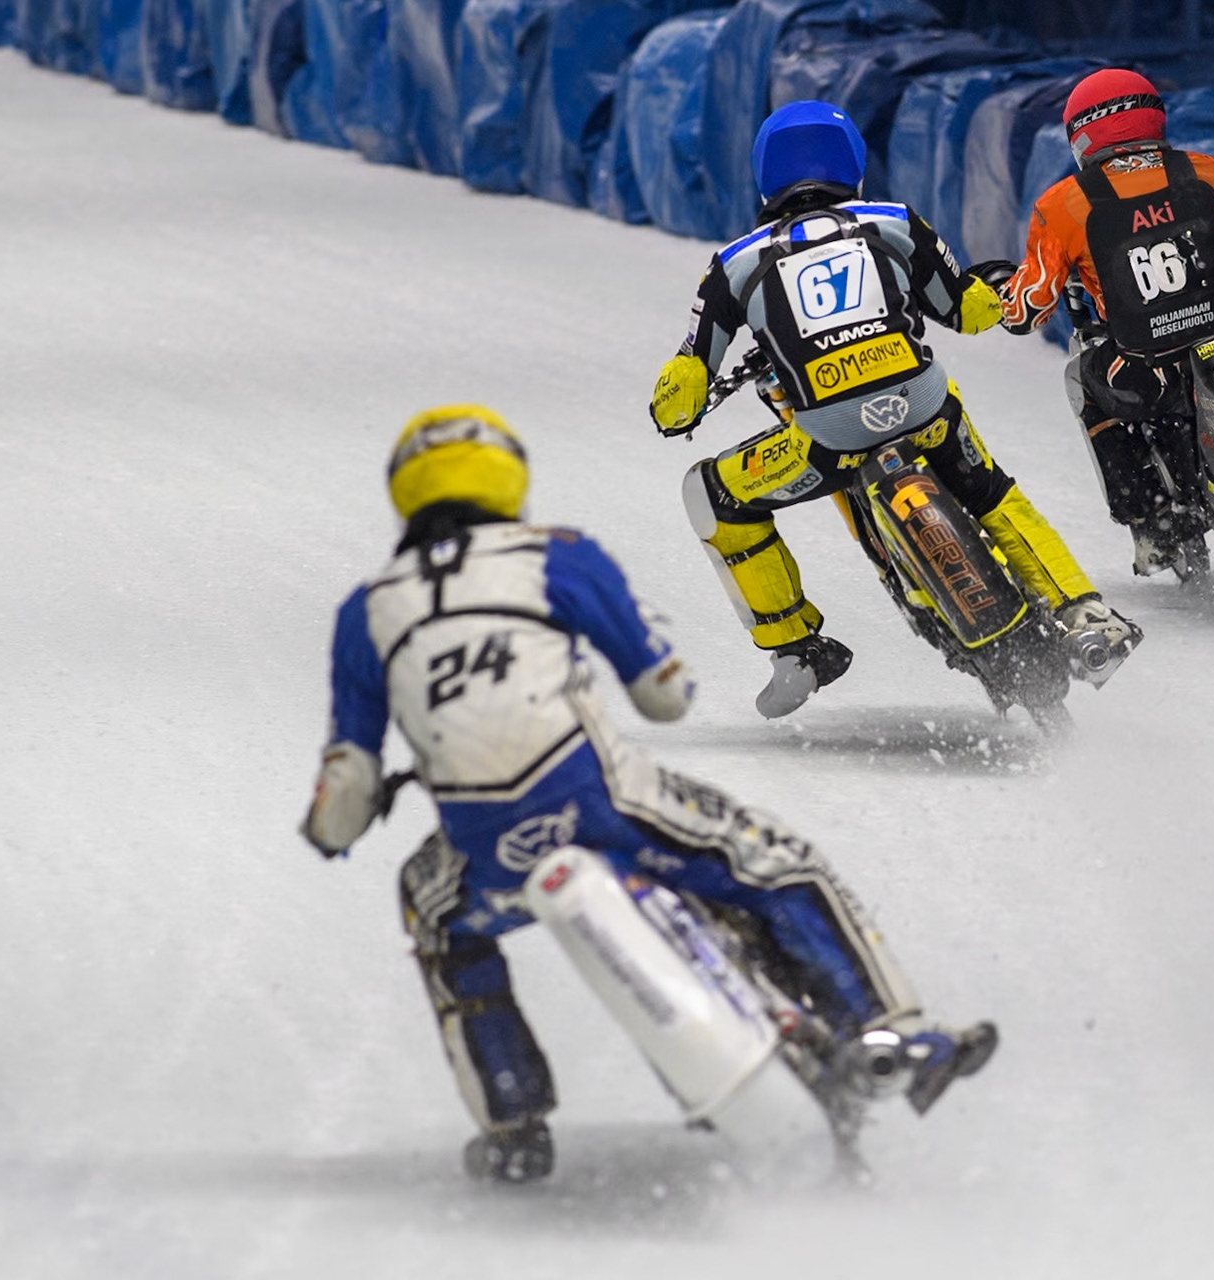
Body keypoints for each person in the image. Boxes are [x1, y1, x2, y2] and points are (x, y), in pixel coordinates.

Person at [300, 404, 998, 1183]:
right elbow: (664, 694)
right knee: (778, 863)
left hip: (485, 855)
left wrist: (329, 831)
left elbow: (348, 793)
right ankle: (890, 1032)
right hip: (606, 809)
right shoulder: (558, 556)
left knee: (437, 925)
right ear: (509, 480)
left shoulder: (364, 612)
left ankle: (513, 1124)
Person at [649, 99, 1138, 718]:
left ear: (764, 175)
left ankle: (795, 651)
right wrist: (990, 288)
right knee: (993, 494)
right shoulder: (895, 222)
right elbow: (967, 311)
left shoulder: (734, 263)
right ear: (854, 163)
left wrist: (674, 408)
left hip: (825, 441)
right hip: (924, 411)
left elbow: (684, 385)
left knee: (710, 493)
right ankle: (1083, 613)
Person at [996, 69, 1214, 576]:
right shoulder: (1210, 173)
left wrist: (1000, 300)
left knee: (1082, 380)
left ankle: (1150, 519)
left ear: (1082, 133)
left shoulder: (1061, 205)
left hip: (1144, 370)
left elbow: (1029, 308)